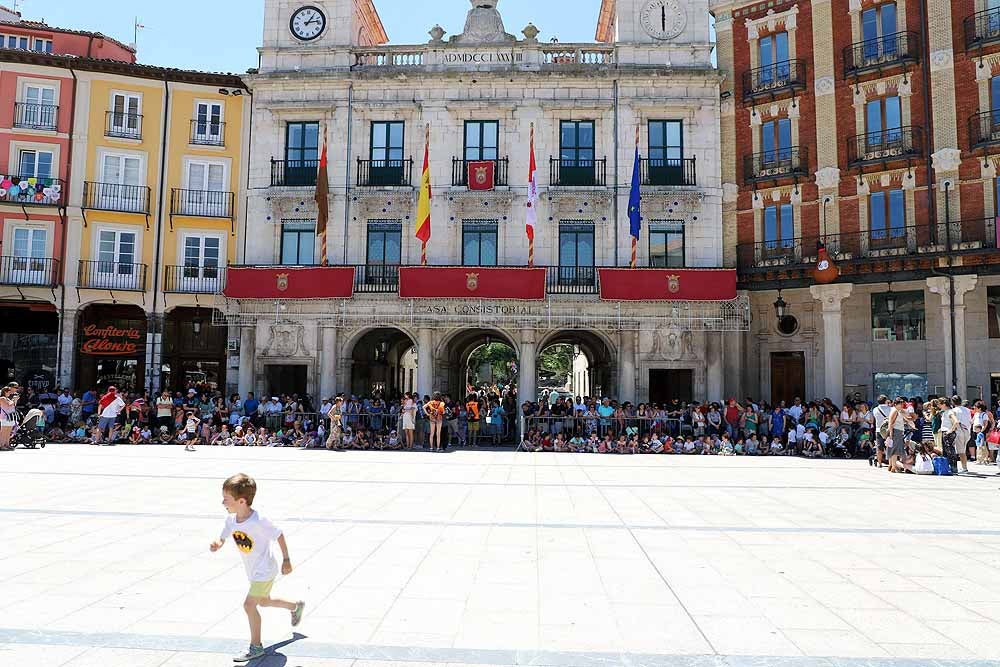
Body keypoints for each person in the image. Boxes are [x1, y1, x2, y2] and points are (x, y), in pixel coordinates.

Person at [209, 474, 305, 663]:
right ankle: (295, 607)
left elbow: (279, 534)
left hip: (265, 570)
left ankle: (256, 647)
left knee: (249, 605)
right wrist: (218, 543)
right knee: (264, 601)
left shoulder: (259, 520)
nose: (222, 503)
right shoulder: (232, 520)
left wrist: (286, 559)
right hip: (253, 571)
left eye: (226, 499)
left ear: (242, 501)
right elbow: (224, 535)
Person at [0, 385, 20, 451]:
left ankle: (7, 444)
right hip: (5, 417)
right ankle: (1, 445)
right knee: (3, 431)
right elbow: (8, 405)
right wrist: (13, 399)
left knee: (8, 431)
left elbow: (13, 406)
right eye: (8, 391)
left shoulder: (8, 399)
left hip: (11, 417)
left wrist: (15, 400)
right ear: (5, 392)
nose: (10, 393)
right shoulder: (2, 398)